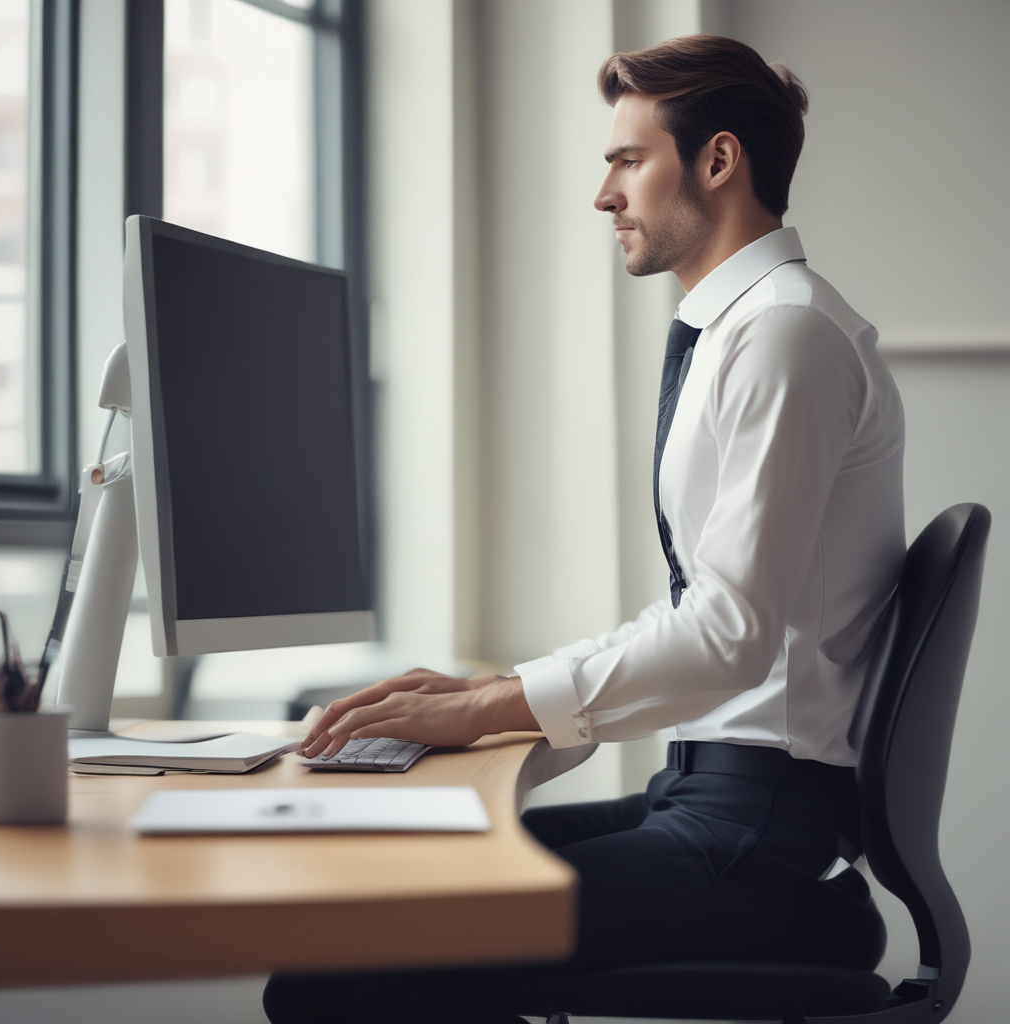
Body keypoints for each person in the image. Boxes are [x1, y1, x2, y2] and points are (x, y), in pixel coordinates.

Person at [264, 33, 904, 1024]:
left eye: (627, 161)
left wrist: (490, 709)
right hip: (709, 802)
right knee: (360, 907)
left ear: (718, 161)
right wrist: (489, 693)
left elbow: (728, 637)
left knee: (334, 971)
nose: (604, 195)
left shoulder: (785, 335)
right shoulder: (745, 329)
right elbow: (699, 608)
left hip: (754, 832)